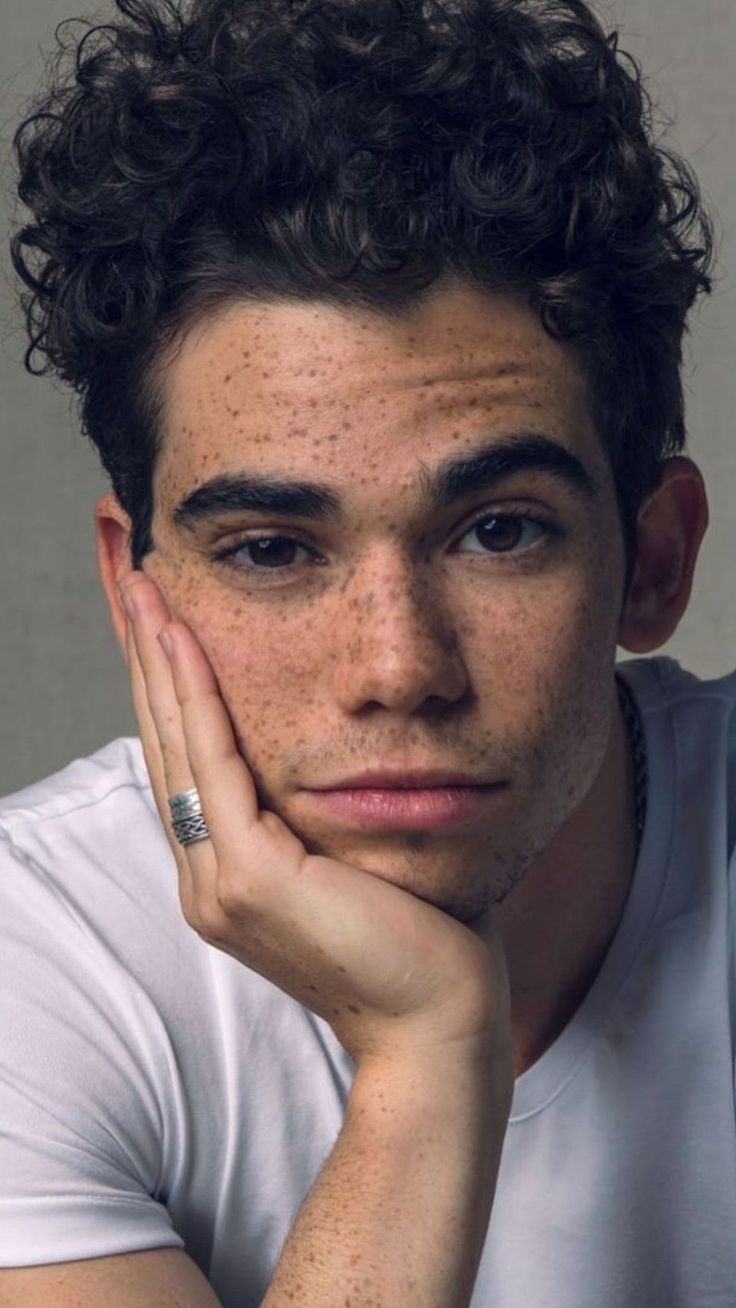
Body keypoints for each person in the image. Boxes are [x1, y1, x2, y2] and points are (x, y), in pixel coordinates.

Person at [1, 0, 733, 1303]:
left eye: (499, 532)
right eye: (275, 550)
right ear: (134, 589)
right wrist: (428, 1056)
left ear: (656, 560)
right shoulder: (42, 959)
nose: (400, 667)